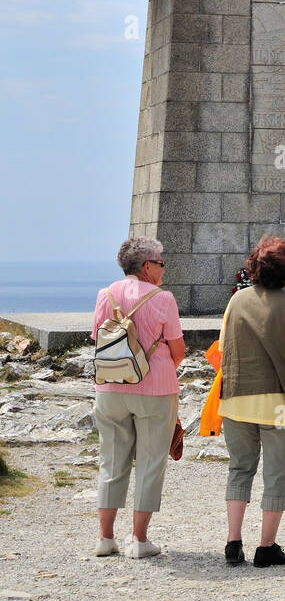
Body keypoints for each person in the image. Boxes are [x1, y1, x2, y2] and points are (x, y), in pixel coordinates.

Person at [218, 236, 285, 568]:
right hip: (276, 402)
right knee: (276, 473)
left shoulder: (236, 301)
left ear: (253, 266)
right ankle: (266, 546)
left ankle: (233, 542)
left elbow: (222, 347)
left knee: (239, 468)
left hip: (235, 399)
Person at [91, 238, 185, 558]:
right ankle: (139, 540)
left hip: (109, 387)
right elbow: (178, 350)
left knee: (112, 460)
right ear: (147, 266)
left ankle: (105, 538)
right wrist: (155, 369)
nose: (163, 268)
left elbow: (98, 338)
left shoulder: (105, 294)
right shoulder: (164, 298)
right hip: (155, 388)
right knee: (150, 461)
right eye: (160, 263)